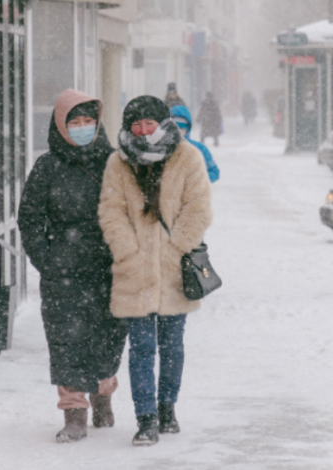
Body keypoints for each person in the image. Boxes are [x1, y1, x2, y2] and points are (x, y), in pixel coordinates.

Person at [98, 95, 212, 446]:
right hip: (134, 270)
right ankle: (145, 417)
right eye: (137, 124)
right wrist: (128, 251)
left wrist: (177, 246)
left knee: (173, 345)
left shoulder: (188, 157)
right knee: (142, 347)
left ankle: (167, 408)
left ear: (162, 124)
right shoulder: (119, 163)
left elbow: (199, 207)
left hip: (176, 268)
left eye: (150, 123)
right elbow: (111, 210)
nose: (144, 130)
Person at [17, 89, 127, 443]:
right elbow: (30, 218)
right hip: (64, 273)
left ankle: (103, 392)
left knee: (109, 338)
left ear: (98, 124)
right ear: (61, 127)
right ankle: (74, 412)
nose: (82, 128)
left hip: (111, 270)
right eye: (74, 122)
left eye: (87, 122)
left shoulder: (116, 163)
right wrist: (48, 261)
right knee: (67, 340)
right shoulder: (47, 167)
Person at [170, 104, 220, 183]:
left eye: (182, 129)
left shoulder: (199, 148)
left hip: (194, 193)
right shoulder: (163, 148)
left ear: (187, 129)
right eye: (175, 129)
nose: (178, 132)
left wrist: (197, 180)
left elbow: (214, 172)